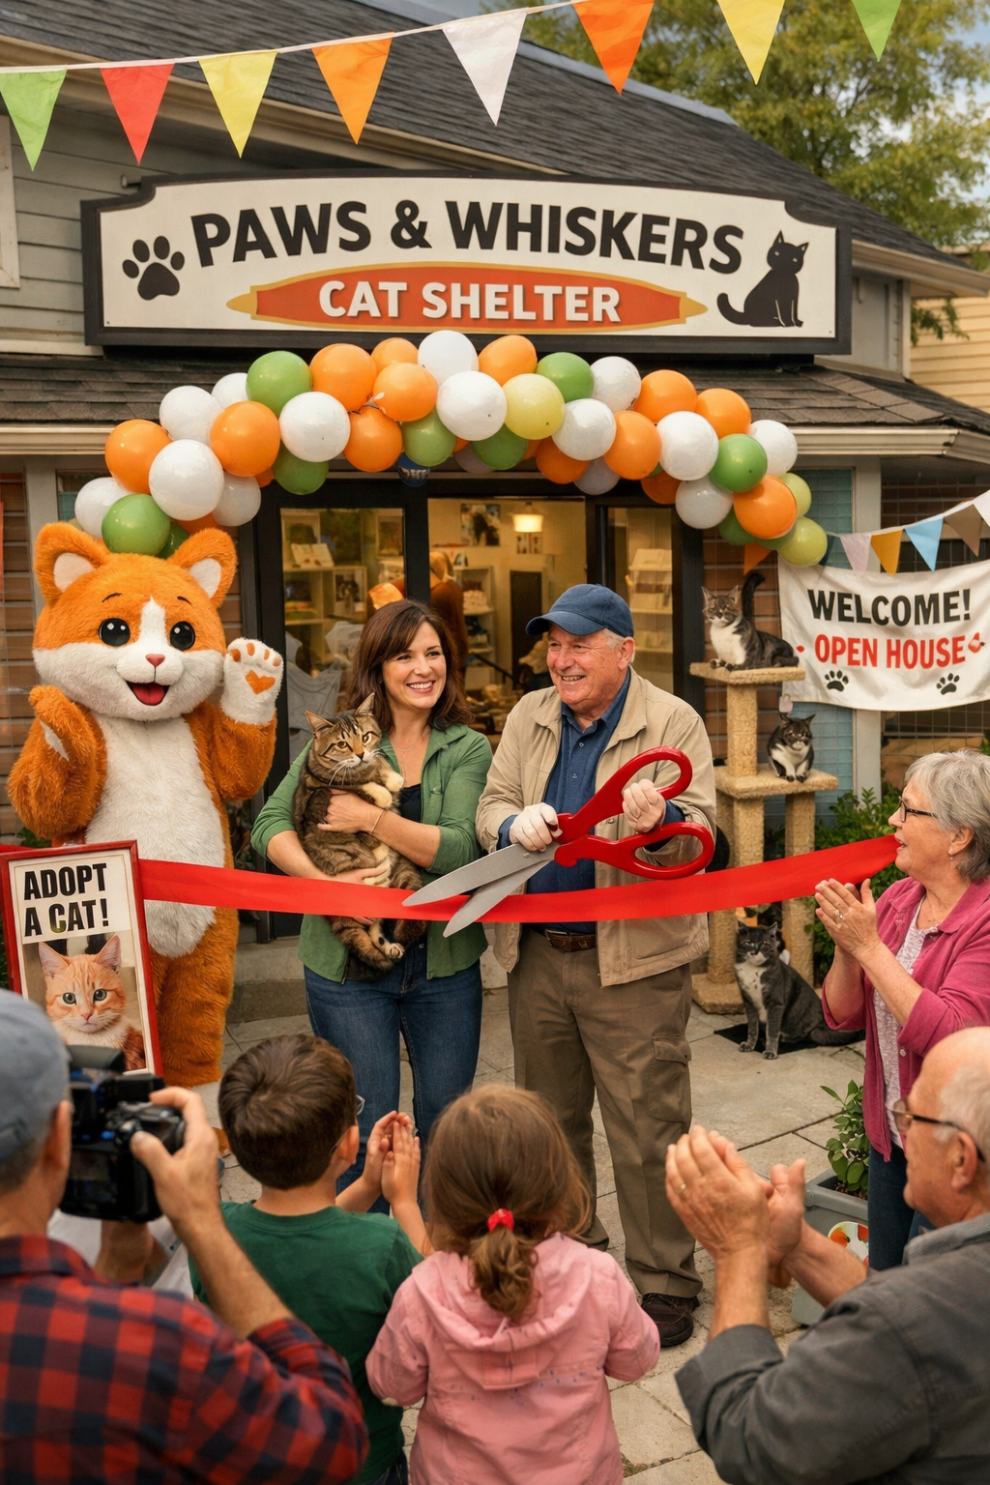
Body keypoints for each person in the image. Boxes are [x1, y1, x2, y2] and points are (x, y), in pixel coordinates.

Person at [475, 583, 715, 1346]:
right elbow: (490, 805)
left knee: (648, 1127)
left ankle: (666, 1279)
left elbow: (705, 840)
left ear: (623, 650)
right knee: (550, 1124)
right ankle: (575, 1254)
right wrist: (510, 825)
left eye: (579, 645)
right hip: (538, 957)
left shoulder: (672, 721)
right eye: (554, 645)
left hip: (636, 965)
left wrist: (662, 822)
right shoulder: (528, 714)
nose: (561, 659)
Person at [0, 994, 367, 1483]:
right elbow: (328, 1441)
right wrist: (200, 1220)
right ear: (57, 1140)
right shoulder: (156, 1345)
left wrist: (115, 1273)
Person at [667, 1026, 990, 1484]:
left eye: (910, 1116)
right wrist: (798, 1243)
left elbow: (751, 1440)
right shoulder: (940, 1306)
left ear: (961, 1159)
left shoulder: (915, 1322)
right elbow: (918, 1328)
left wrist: (738, 1248)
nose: (902, 1131)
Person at [252, 599, 492, 1200]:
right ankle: (369, 1254)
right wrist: (325, 885)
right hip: (347, 973)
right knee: (363, 1134)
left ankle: (434, 1248)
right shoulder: (341, 738)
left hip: (442, 967)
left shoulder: (467, 746)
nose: (422, 668)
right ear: (378, 666)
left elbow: (460, 850)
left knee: (447, 1127)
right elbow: (269, 824)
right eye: (404, 655)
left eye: (433, 653)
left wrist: (369, 817)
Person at [366, 1086, 659, 1485]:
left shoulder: (423, 1293)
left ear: (444, 1197)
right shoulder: (597, 1276)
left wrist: (402, 1202)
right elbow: (635, 1361)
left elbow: (391, 1385)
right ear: (560, 1186)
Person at [189, 1035, 429, 1485]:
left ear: (237, 1147)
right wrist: (404, 1202)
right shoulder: (381, 1245)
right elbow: (436, 1304)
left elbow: (301, 1234)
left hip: (254, 1462)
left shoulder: (213, 1232)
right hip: (361, 1464)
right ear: (350, 1144)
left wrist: (366, 1187)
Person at [815, 749, 990, 1269]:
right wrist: (848, 949)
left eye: (908, 810)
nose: (893, 820)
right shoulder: (898, 899)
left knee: (932, 1298)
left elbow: (952, 1040)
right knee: (886, 1282)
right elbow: (842, 1015)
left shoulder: (984, 922)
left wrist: (870, 948)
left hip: (959, 1157)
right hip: (891, 1142)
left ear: (959, 836)